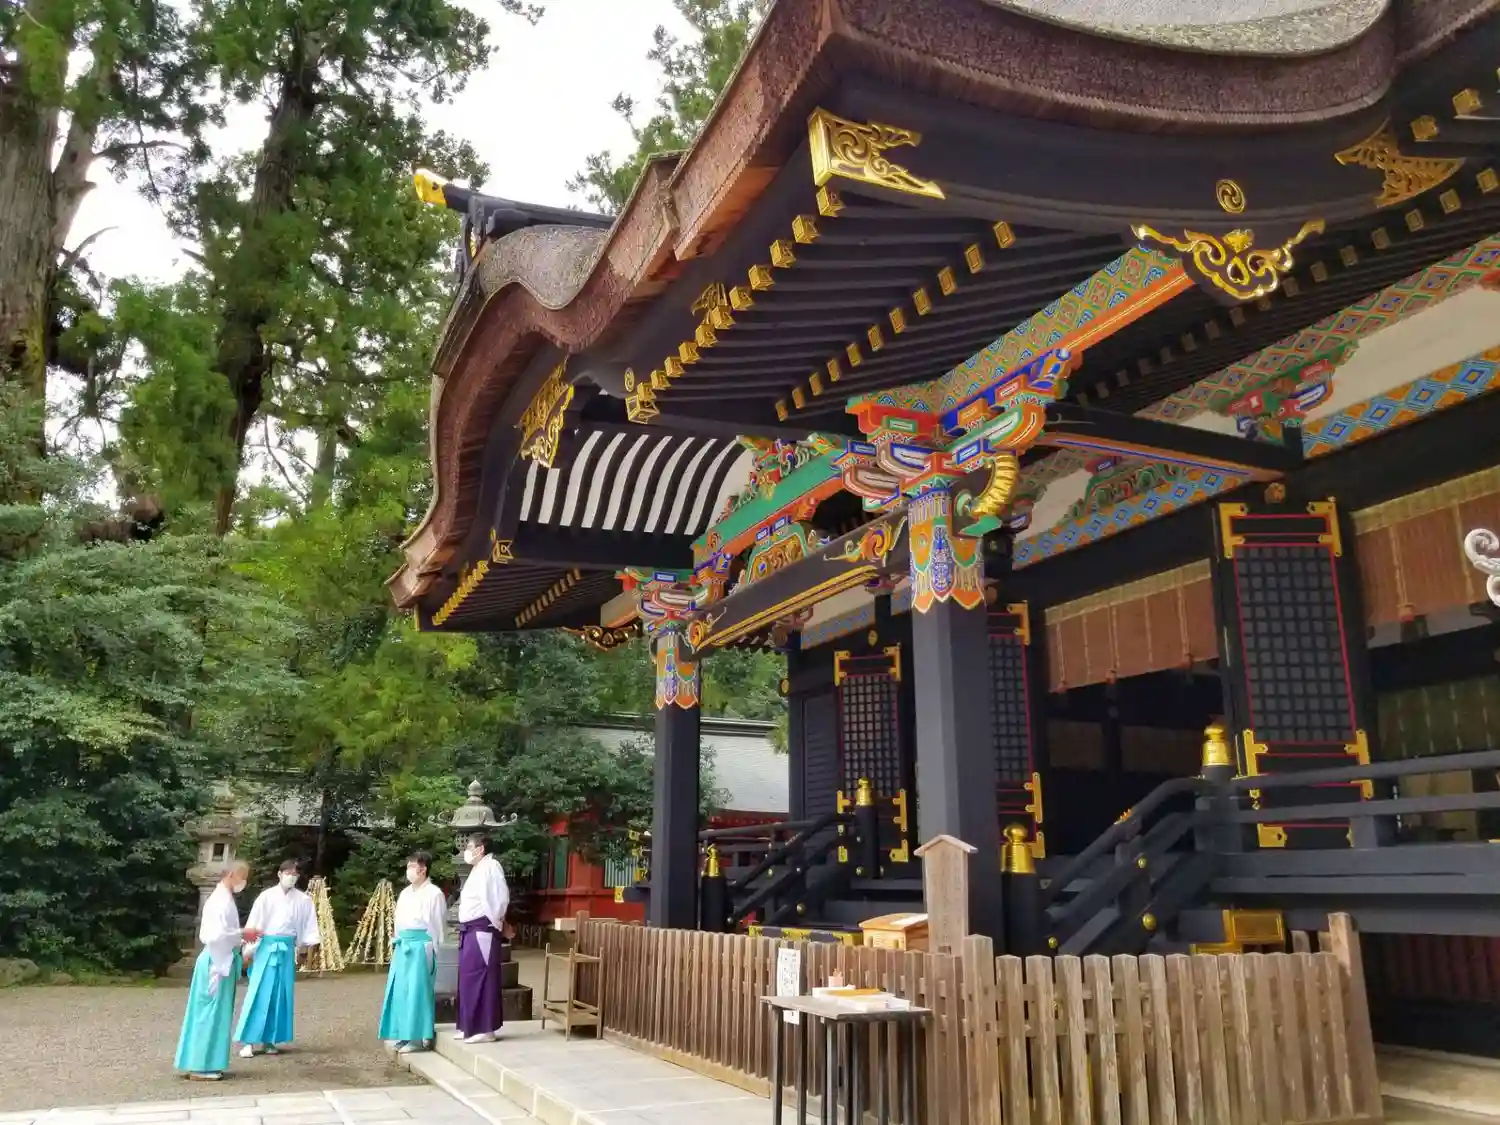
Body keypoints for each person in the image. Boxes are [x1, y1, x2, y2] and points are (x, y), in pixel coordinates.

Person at [175, 860, 260, 1081]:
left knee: (216, 1013)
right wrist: (242, 934)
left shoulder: (224, 898)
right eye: (242, 877)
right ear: (231, 875)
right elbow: (214, 935)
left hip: (222, 960)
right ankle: (200, 1065)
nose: (244, 882)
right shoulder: (219, 901)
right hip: (216, 962)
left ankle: (205, 1062)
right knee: (209, 1014)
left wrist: (240, 935)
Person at [234, 859, 320, 1059]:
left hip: (287, 949)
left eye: (295, 874)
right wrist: (249, 951)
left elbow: (308, 927)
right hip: (266, 947)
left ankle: (270, 1039)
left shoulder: (304, 900)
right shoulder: (266, 897)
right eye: (287, 873)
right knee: (258, 993)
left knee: (280, 995)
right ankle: (248, 1041)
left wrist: (304, 949)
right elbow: (255, 925)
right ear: (279, 874)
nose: (291, 877)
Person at [379, 851, 448, 1053]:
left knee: (418, 991)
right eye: (408, 866)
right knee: (401, 991)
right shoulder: (405, 893)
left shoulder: (434, 893)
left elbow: (438, 925)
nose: (408, 870)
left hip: (422, 944)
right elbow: (398, 921)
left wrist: (433, 949)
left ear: (423, 869)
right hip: (404, 944)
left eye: (412, 866)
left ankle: (418, 1037)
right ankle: (403, 1033)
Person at [455, 833, 509, 1043]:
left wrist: (496, 922)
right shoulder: (478, 868)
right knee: (467, 977)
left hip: (482, 928)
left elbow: (499, 899)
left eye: (469, 847)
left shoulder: (491, 866)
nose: (467, 851)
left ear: (480, 849)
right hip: (471, 928)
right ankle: (468, 1025)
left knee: (481, 976)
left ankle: (485, 1029)